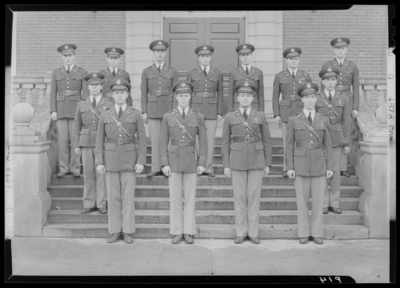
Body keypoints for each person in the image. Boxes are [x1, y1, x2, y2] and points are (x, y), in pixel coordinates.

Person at [94, 79, 147, 244]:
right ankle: (115, 230)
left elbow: (143, 140)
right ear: (112, 95)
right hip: (109, 160)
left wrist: (141, 161)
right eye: (116, 93)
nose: (119, 95)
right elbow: (99, 140)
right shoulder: (105, 113)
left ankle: (128, 230)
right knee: (113, 197)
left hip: (129, 159)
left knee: (128, 197)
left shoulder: (135, 113)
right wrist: (99, 161)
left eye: (122, 92)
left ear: (127, 94)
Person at [222, 80, 272, 245]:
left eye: (248, 96)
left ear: (253, 98)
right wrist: (226, 165)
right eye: (242, 95)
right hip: (237, 160)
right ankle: (241, 232)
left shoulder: (260, 116)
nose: (245, 98)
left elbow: (267, 140)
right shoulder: (230, 116)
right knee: (240, 197)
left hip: (257, 160)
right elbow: (224, 142)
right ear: (237, 97)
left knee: (254, 197)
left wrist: (268, 163)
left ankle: (253, 232)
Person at [159, 81, 207, 245]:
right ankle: (177, 231)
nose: (184, 99)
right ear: (176, 97)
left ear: (190, 96)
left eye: (186, 95)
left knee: (190, 198)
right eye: (181, 96)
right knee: (175, 198)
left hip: (191, 159)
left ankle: (188, 232)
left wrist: (202, 163)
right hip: (173, 160)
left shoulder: (197, 116)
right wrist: (164, 163)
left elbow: (204, 142)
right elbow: (163, 141)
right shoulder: (168, 116)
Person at [286, 82, 334, 245]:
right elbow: (289, 145)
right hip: (300, 164)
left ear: (316, 99)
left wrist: (330, 167)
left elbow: (329, 145)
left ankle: (317, 233)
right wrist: (290, 167)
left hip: (320, 164)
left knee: (319, 201)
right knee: (302, 201)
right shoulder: (294, 120)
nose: (310, 100)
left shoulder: (324, 120)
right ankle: (304, 233)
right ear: (302, 99)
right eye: (307, 97)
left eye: (313, 97)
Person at [73, 73, 111, 215]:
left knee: (101, 174)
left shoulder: (108, 104)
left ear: (101, 87)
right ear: (88, 87)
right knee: (88, 173)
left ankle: (101, 203)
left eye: (97, 85)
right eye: (92, 85)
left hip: (103, 143)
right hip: (86, 141)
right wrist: (76, 144)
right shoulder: (81, 104)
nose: (94, 88)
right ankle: (88, 203)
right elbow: (77, 125)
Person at [321, 37, 359, 177]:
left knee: (345, 132)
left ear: (346, 49)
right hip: (331, 104)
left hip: (347, 102)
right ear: (333, 50)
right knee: (331, 133)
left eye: (342, 48)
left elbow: (355, 87)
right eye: (337, 48)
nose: (340, 51)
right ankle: (329, 164)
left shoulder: (352, 66)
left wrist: (355, 107)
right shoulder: (327, 65)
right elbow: (322, 87)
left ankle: (343, 167)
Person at [272, 47, 313, 177]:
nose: (293, 61)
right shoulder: (279, 76)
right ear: (286, 60)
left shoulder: (305, 75)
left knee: (302, 140)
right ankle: (287, 167)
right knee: (287, 142)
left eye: (295, 59)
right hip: (285, 112)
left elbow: (310, 95)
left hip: (302, 112)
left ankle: (301, 166)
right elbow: (275, 96)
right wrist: (276, 114)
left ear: (299, 60)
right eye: (290, 59)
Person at [50, 44, 89, 177]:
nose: (68, 58)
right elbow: (53, 93)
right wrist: (53, 111)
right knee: (62, 141)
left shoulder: (82, 72)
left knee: (75, 141)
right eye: (65, 56)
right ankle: (63, 168)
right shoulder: (56, 72)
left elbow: (85, 95)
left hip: (76, 111)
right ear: (62, 57)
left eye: (70, 55)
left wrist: (83, 111)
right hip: (60, 111)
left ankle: (75, 168)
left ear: (74, 56)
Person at [316, 67, 351, 214]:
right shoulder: (316, 98)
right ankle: (323, 203)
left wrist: (348, 142)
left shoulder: (343, 98)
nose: (330, 82)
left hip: (337, 137)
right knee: (323, 171)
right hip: (321, 137)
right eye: (327, 80)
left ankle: (335, 203)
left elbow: (347, 120)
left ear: (336, 81)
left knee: (335, 172)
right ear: (322, 81)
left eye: (333, 79)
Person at [141, 40, 179, 177]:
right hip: (152, 109)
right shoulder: (147, 71)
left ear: (166, 53)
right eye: (157, 51)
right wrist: (144, 111)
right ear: (154, 53)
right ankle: (156, 167)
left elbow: (176, 92)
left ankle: (168, 166)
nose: (160, 54)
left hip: (168, 108)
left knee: (169, 139)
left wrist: (175, 109)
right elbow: (143, 92)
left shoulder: (172, 71)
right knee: (155, 139)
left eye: (162, 51)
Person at [186, 45, 224, 177]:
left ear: (211, 57)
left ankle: (208, 167)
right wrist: (188, 110)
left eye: (207, 56)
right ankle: (198, 165)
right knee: (196, 139)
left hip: (211, 109)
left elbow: (220, 93)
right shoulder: (192, 73)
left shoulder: (217, 73)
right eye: (203, 56)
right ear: (198, 58)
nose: (205, 59)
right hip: (195, 109)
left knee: (209, 140)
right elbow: (188, 93)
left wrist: (220, 112)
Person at [227, 44, 264, 112]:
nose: (245, 57)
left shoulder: (258, 72)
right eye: (243, 55)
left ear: (251, 56)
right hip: (237, 107)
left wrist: (261, 111)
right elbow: (231, 94)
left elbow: (260, 94)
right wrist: (230, 111)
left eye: (247, 55)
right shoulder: (234, 73)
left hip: (254, 106)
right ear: (240, 57)